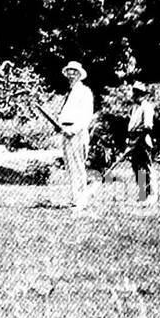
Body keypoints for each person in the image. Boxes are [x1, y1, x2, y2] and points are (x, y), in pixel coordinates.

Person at [58, 60, 95, 213]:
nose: (71, 75)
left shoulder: (85, 91)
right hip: (65, 132)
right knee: (70, 166)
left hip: (77, 133)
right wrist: (61, 126)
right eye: (69, 72)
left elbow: (86, 115)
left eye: (74, 72)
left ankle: (82, 200)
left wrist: (73, 129)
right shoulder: (70, 92)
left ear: (80, 74)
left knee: (79, 166)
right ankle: (75, 198)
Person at [127, 81, 157, 208]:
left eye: (139, 93)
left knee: (146, 168)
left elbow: (147, 127)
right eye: (135, 92)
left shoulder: (147, 107)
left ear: (144, 95)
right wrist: (130, 141)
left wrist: (137, 141)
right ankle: (142, 195)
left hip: (143, 140)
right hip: (134, 139)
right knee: (137, 168)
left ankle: (152, 195)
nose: (136, 95)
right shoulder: (134, 108)